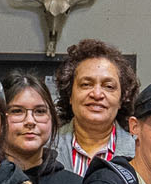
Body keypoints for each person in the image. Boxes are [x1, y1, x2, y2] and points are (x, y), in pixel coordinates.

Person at [48, 39, 139, 175]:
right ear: (70, 94)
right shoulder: (45, 148)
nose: (97, 94)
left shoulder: (140, 153)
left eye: (108, 86)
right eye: (86, 84)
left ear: (122, 98)